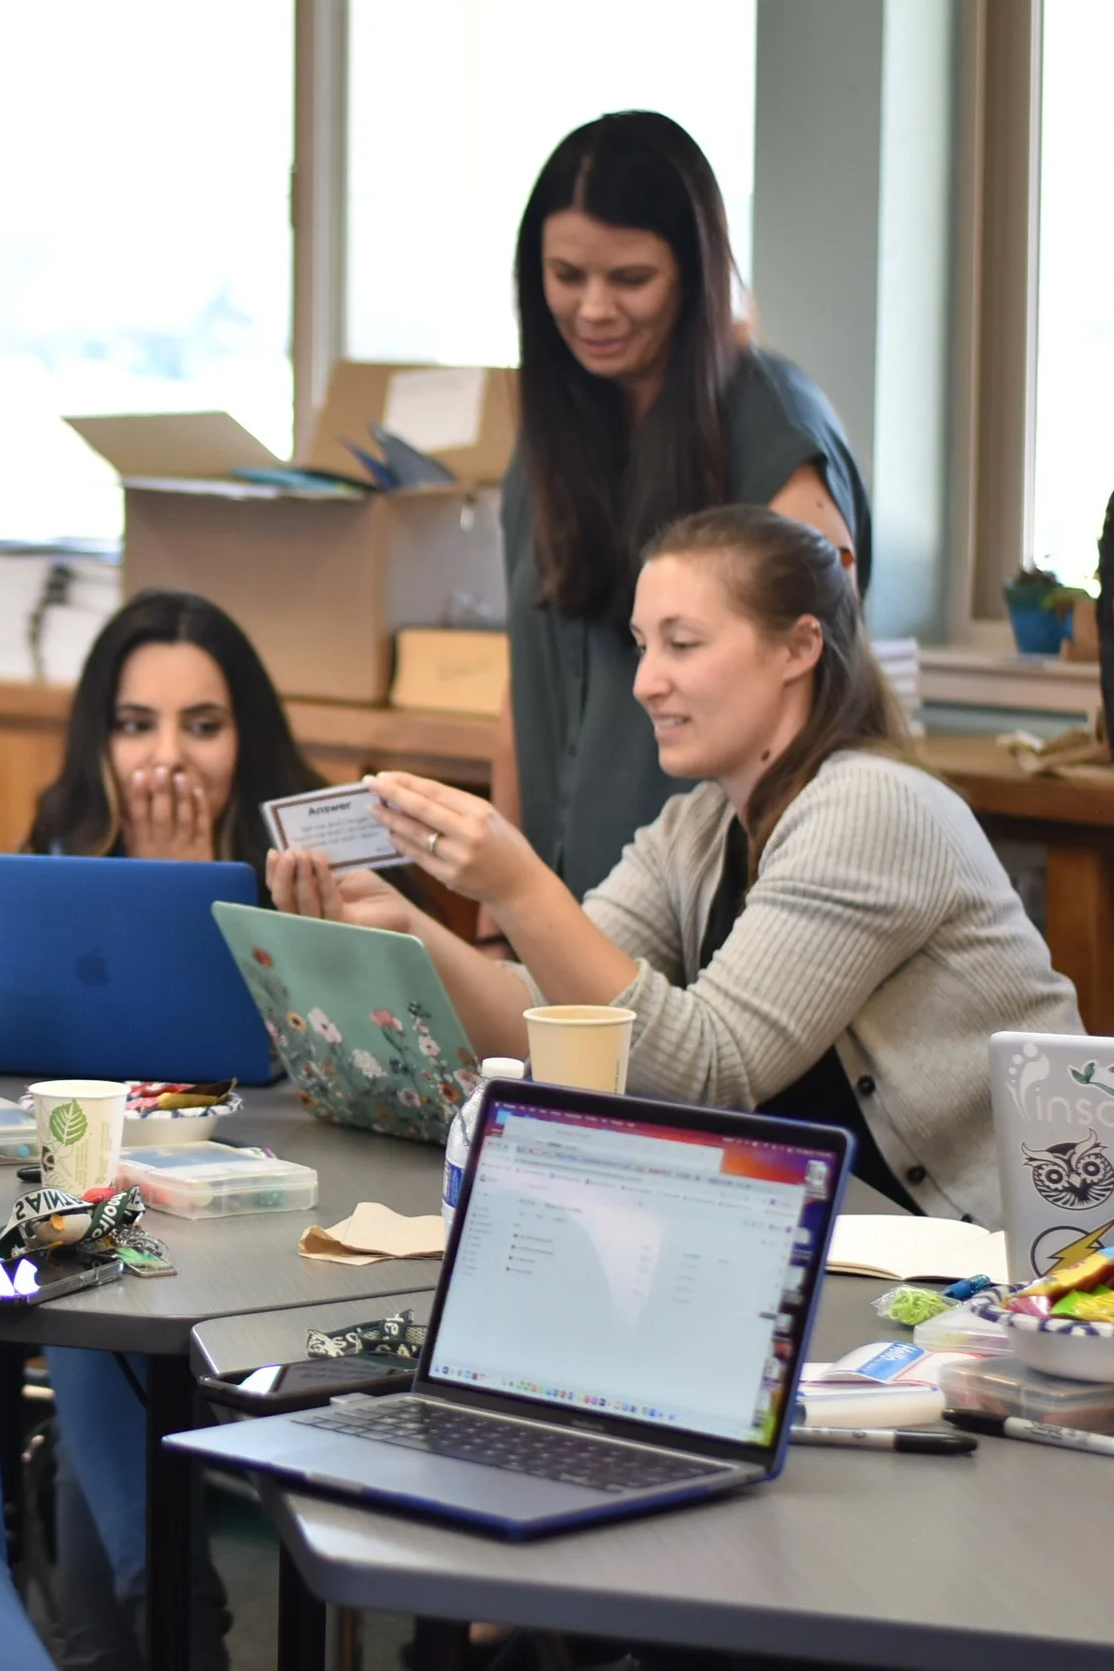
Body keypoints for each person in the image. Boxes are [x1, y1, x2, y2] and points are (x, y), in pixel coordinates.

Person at [270, 505, 1082, 1226]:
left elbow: (708, 1071)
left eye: (683, 644)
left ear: (801, 645)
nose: (646, 682)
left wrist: (514, 883)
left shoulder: (873, 806)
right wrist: (402, 928)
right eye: (642, 645)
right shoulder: (695, 827)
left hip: (1013, 1271)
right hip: (841, 1246)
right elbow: (549, 1020)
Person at [26, 588, 330, 1671]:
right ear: (99, 739)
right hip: (115, 1220)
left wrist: (211, 902)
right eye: (135, 723)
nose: (169, 756)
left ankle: (162, 1619)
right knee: (75, 1277)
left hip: (277, 1221)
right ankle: (166, 1613)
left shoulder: (302, 871)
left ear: (245, 735)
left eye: (202, 725)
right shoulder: (60, 867)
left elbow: (300, 1085)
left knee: (75, 1298)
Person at [489, 110, 873, 919]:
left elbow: (829, 698)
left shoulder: (772, 429)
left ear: (694, 275)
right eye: (567, 276)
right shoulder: (549, 441)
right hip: (559, 922)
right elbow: (523, 685)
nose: (594, 309)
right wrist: (499, 913)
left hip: (719, 922)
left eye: (630, 279)